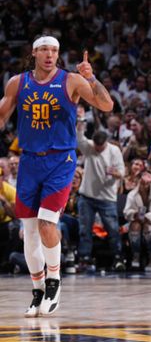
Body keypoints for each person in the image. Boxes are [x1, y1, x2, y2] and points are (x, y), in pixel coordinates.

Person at [0, 37, 113, 317]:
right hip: (28, 161)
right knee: (28, 232)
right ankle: (38, 290)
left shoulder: (71, 80)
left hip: (60, 160)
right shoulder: (18, 82)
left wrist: (92, 78)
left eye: (54, 50)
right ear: (34, 53)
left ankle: (54, 282)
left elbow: (106, 105)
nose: (50, 55)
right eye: (44, 50)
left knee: (47, 222)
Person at [76, 121, 126, 273]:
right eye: (96, 147)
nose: (97, 149)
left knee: (112, 230)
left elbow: (122, 173)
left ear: (106, 143)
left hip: (107, 198)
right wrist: (80, 126)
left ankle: (118, 258)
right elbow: (80, 139)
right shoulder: (90, 147)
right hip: (87, 196)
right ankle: (84, 258)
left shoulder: (114, 151)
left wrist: (114, 173)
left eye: (100, 147)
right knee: (85, 229)